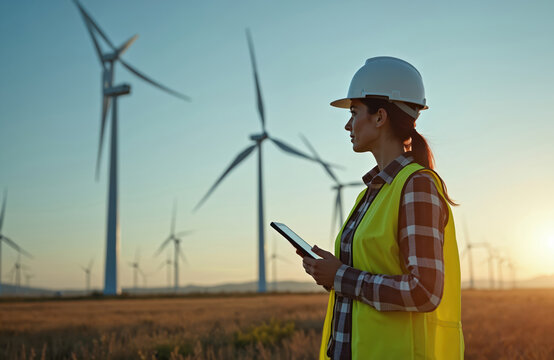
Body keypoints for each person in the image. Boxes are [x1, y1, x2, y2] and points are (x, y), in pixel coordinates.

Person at [299, 57, 464, 359]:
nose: (348, 124)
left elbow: (425, 291)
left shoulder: (416, 187)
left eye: (354, 112)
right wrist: (328, 272)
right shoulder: (373, 192)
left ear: (380, 117)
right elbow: (364, 279)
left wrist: (340, 276)